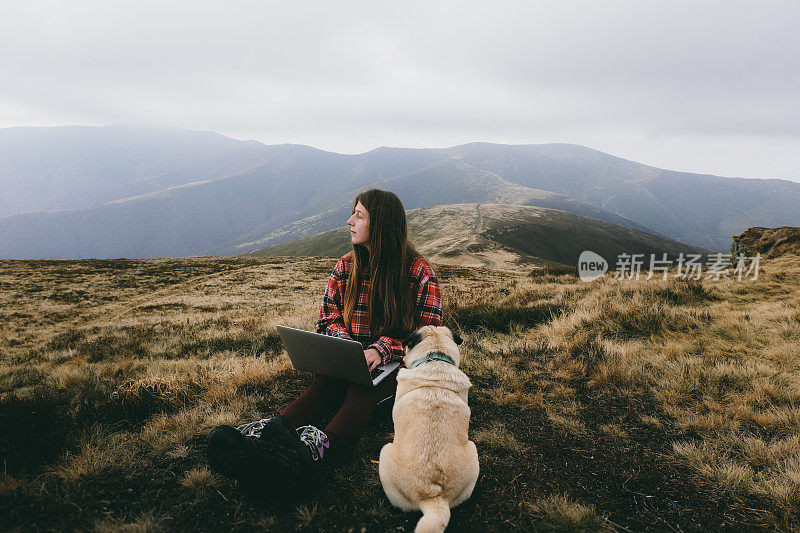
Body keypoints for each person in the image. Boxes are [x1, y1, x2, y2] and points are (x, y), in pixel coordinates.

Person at [207, 189, 443, 494]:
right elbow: (327, 319)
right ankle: (262, 443)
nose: (349, 221)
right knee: (323, 385)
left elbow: (431, 336)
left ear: (381, 225)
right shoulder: (346, 267)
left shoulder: (418, 272)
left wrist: (381, 349)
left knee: (363, 390)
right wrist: (345, 347)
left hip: (400, 370)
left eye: (359, 215)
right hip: (352, 362)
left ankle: (311, 454)